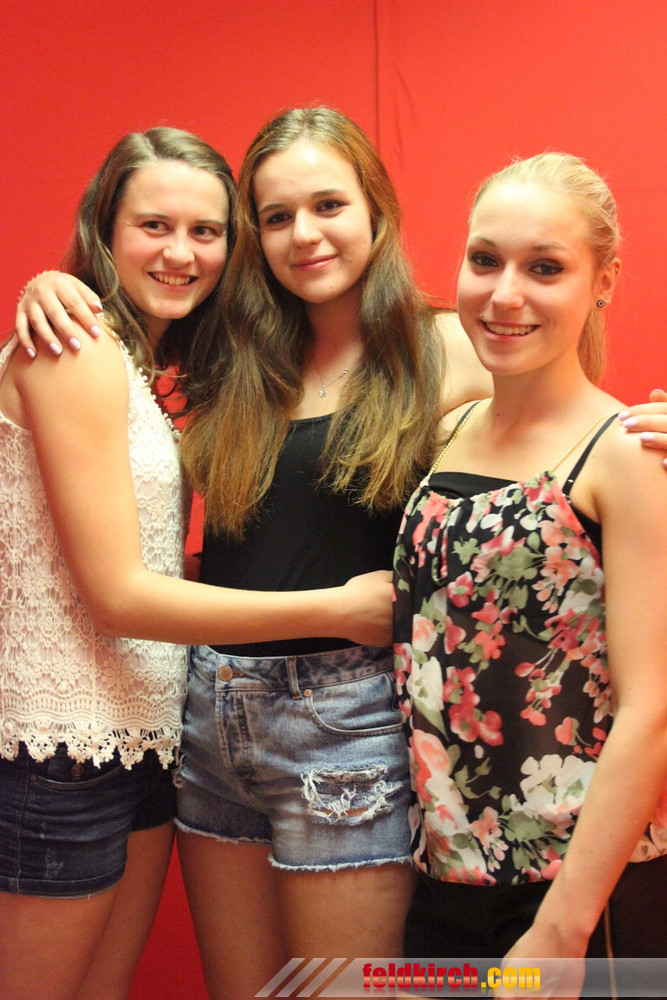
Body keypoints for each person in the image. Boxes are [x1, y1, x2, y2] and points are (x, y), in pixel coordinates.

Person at [0, 125, 396, 1000]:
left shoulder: (144, 363)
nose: (180, 253)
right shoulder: (75, 345)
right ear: (104, 229)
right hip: (56, 746)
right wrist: (338, 606)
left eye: (206, 231)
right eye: (154, 226)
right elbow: (117, 595)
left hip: (145, 735)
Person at [393, 152, 667, 998]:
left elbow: (653, 707)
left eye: (544, 268)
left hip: (575, 892)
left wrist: (564, 924)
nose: (504, 294)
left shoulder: (626, 454)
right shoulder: (448, 430)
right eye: (485, 260)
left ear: (602, 281)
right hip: (443, 878)